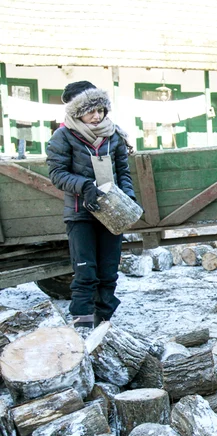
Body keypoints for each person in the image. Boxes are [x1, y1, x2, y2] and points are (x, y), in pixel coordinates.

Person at [46, 81, 137, 328]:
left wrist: (128, 196)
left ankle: (104, 322)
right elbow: (57, 174)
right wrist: (85, 186)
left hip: (112, 214)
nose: (97, 116)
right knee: (86, 272)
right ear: (77, 112)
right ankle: (83, 323)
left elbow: (123, 172)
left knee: (108, 272)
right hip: (80, 214)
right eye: (90, 111)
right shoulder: (62, 136)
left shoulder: (114, 135)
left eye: (100, 110)